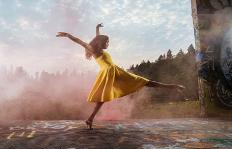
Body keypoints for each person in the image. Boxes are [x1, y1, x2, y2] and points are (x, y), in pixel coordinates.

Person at [56, 23, 185, 130]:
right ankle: (90, 119)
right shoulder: (93, 50)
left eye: (108, 41)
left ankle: (172, 86)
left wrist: (97, 29)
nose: (108, 43)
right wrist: (68, 35)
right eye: (107, 41)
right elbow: (80, 42)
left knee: (142, 81)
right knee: (102, 98)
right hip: (107, 74)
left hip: (116, 71)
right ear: (102, 42)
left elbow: (97, 38)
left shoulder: (99, 48)